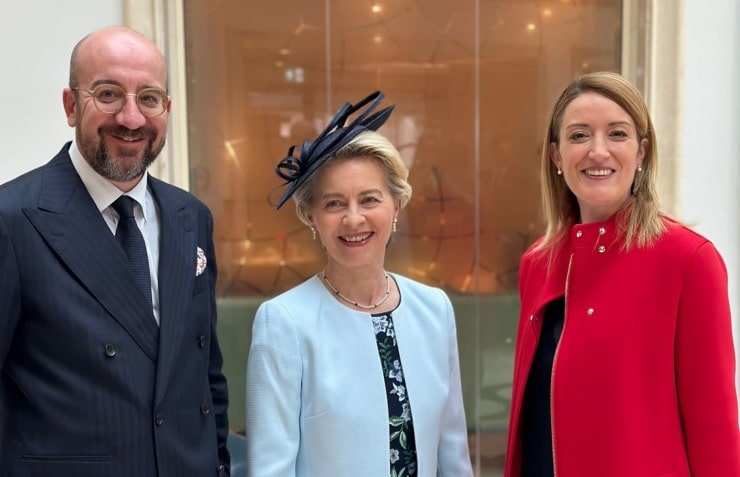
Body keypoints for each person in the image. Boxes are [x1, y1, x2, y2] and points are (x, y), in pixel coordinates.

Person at [0, 26, 230, 476]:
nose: (130, 118)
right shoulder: (12, 220)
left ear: (166, 108)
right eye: (108, 94)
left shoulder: (191, 217)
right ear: (71, 105)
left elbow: (204, 372)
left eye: (148, 98)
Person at [505, 71, 740, 476]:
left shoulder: (687, 259)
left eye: (617, 134)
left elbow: (714, 429)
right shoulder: (537, 263)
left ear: (642, 152)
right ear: (556, 155)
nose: (598, 151)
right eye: (579, 136)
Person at [245, 91, 474, 477]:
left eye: (369, 199)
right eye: (334, 204)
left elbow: (454, 453)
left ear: (395, 206)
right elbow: (271, 468)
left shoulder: (434, 308)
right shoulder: (283, 321)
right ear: (312, 216)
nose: (354, 219)